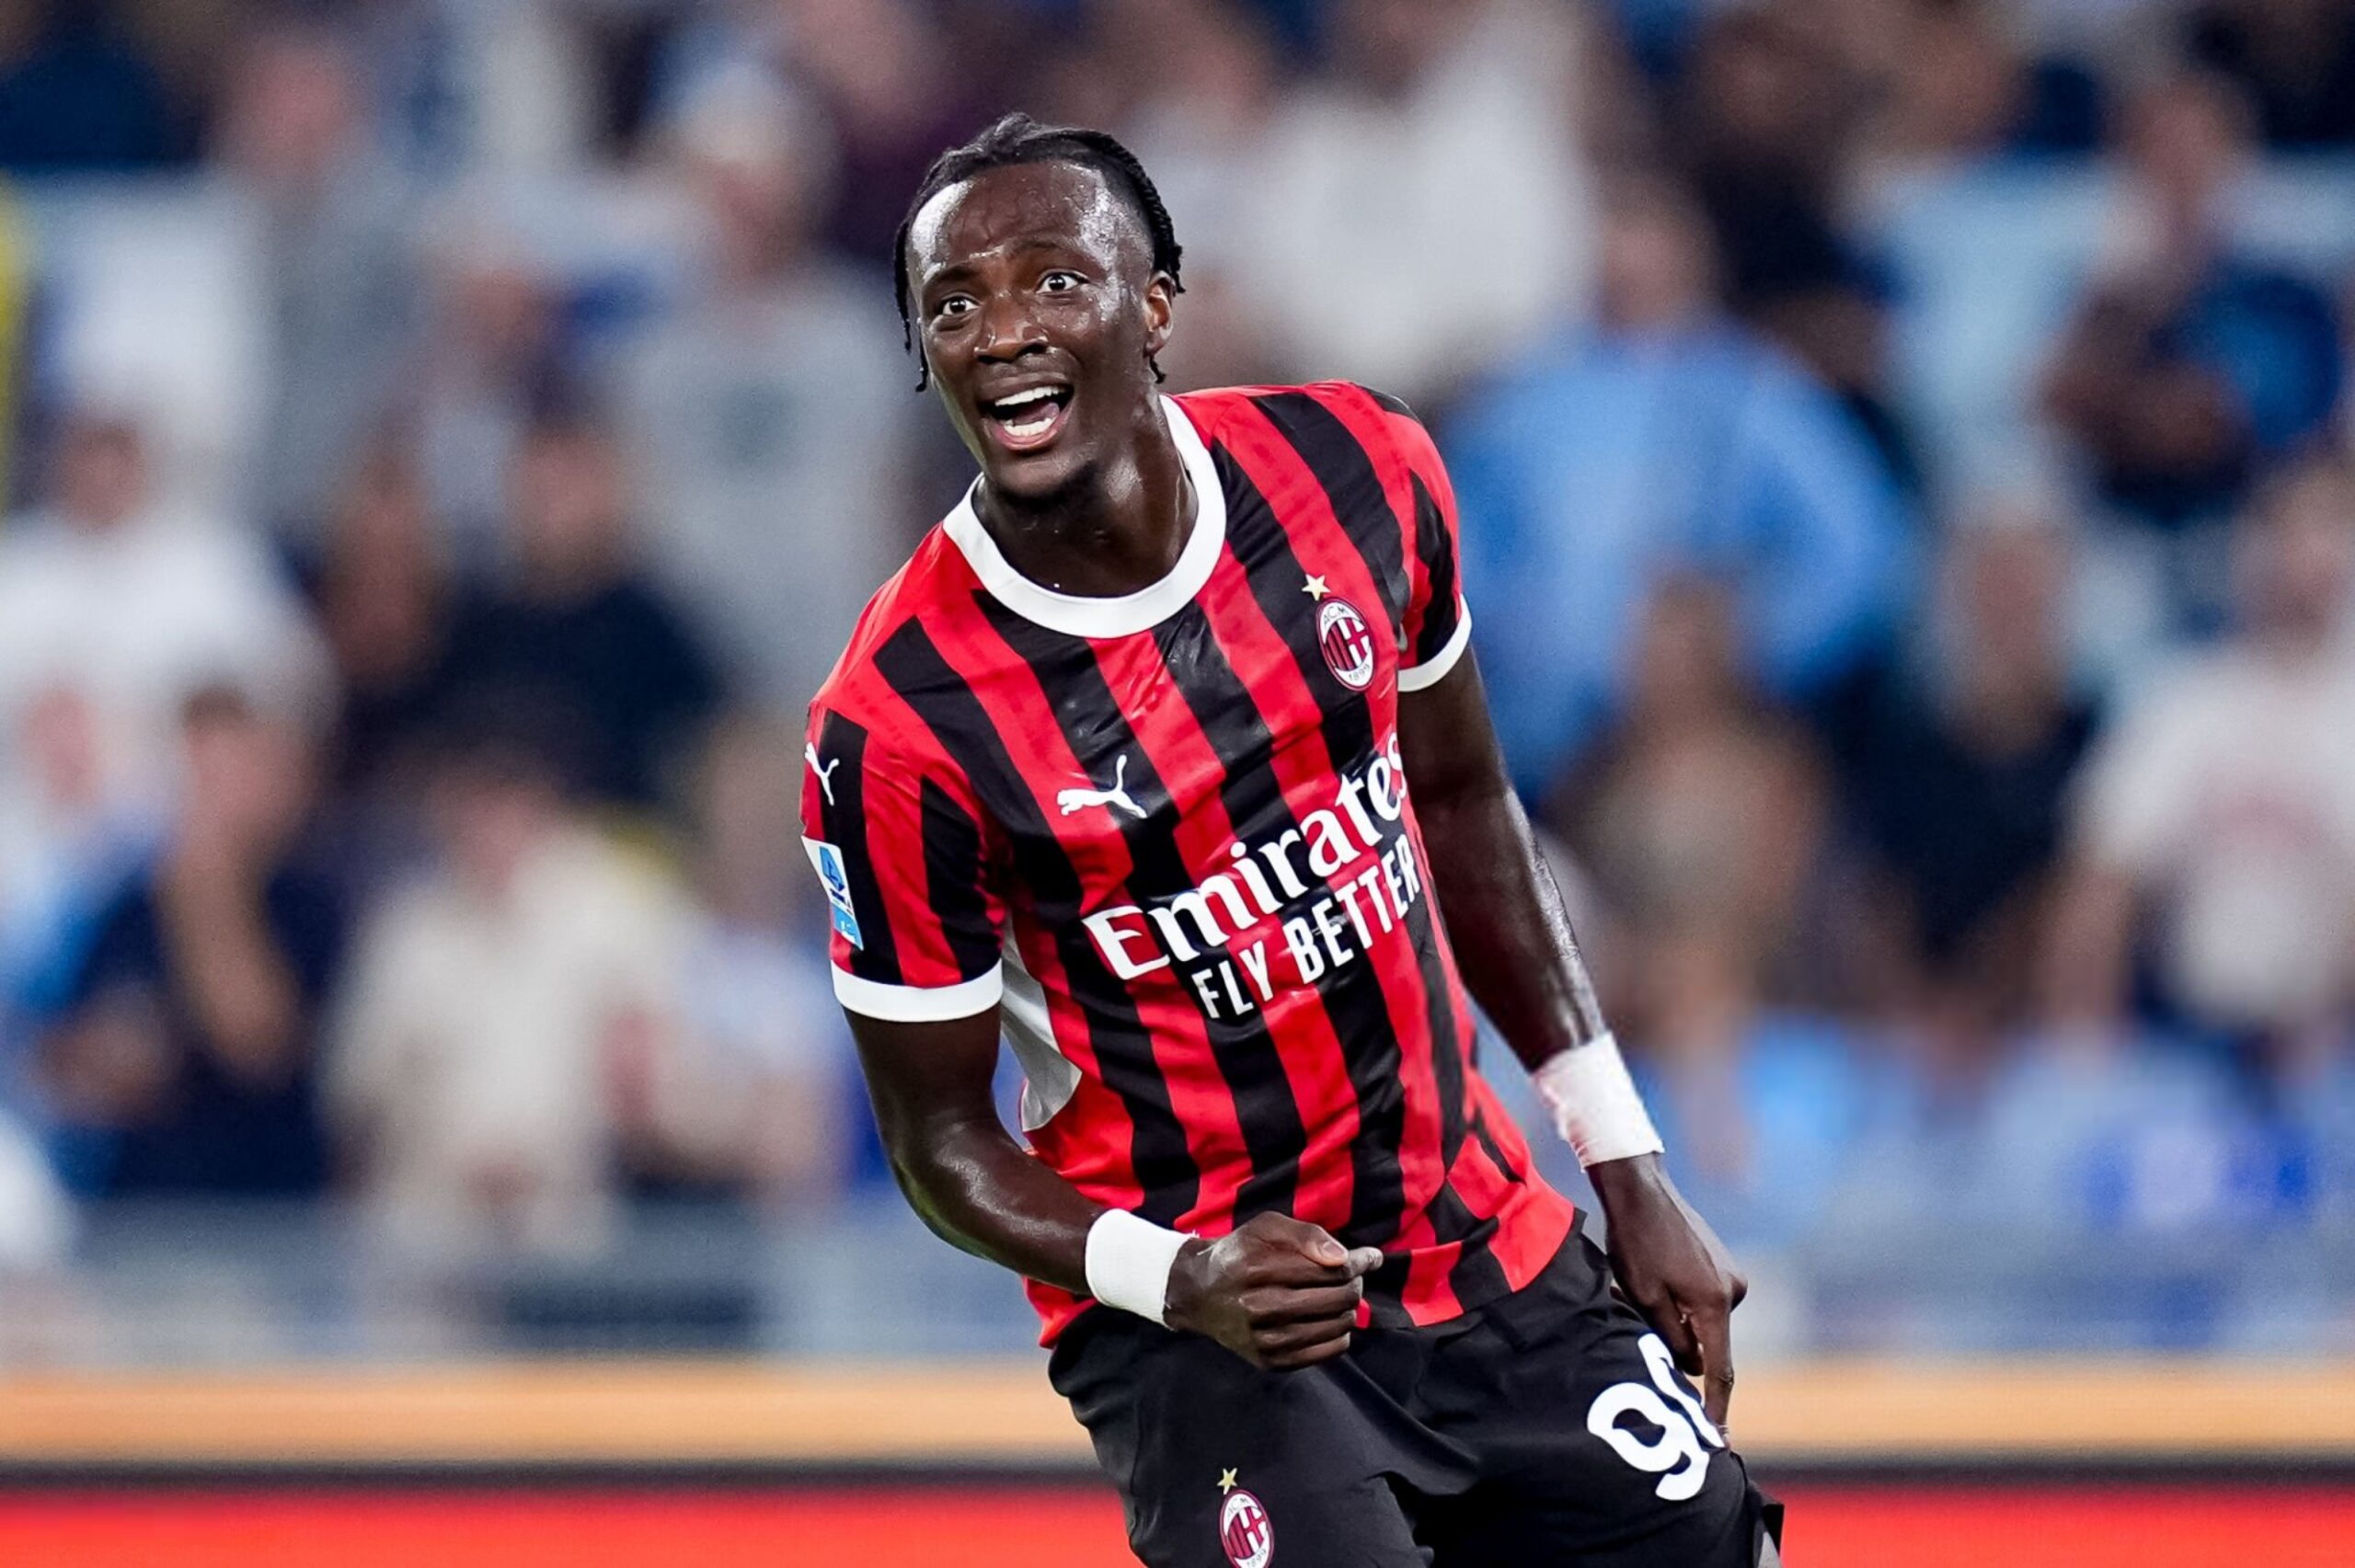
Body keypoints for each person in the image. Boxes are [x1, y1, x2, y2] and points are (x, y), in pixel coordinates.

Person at [800, 114, 1775, 1567]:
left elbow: (1465, 806)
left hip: (1473, 1232)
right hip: (1206, 1323)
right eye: (954, 305)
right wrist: (1178, 1274)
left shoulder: (1359, 469)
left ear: (1155, 304)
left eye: (1054, 280)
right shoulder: (896, 724)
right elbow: (939, 1140)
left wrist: (1626, 1164)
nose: (1001, 332)